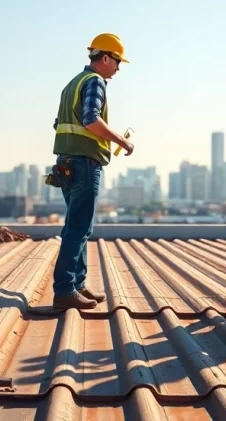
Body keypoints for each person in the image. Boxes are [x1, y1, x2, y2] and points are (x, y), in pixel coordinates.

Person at [50, 33, 135, 309]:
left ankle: (77, 284)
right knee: (79, 227)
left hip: (67, 164)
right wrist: (121, 140)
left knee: (78, 226)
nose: (118, 69)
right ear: (106, 58)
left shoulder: (72, 83)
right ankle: (64, 290)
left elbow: (60, 122)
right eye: (118, 62)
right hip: (84, 163)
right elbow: (90, 119)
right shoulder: (95, 81)